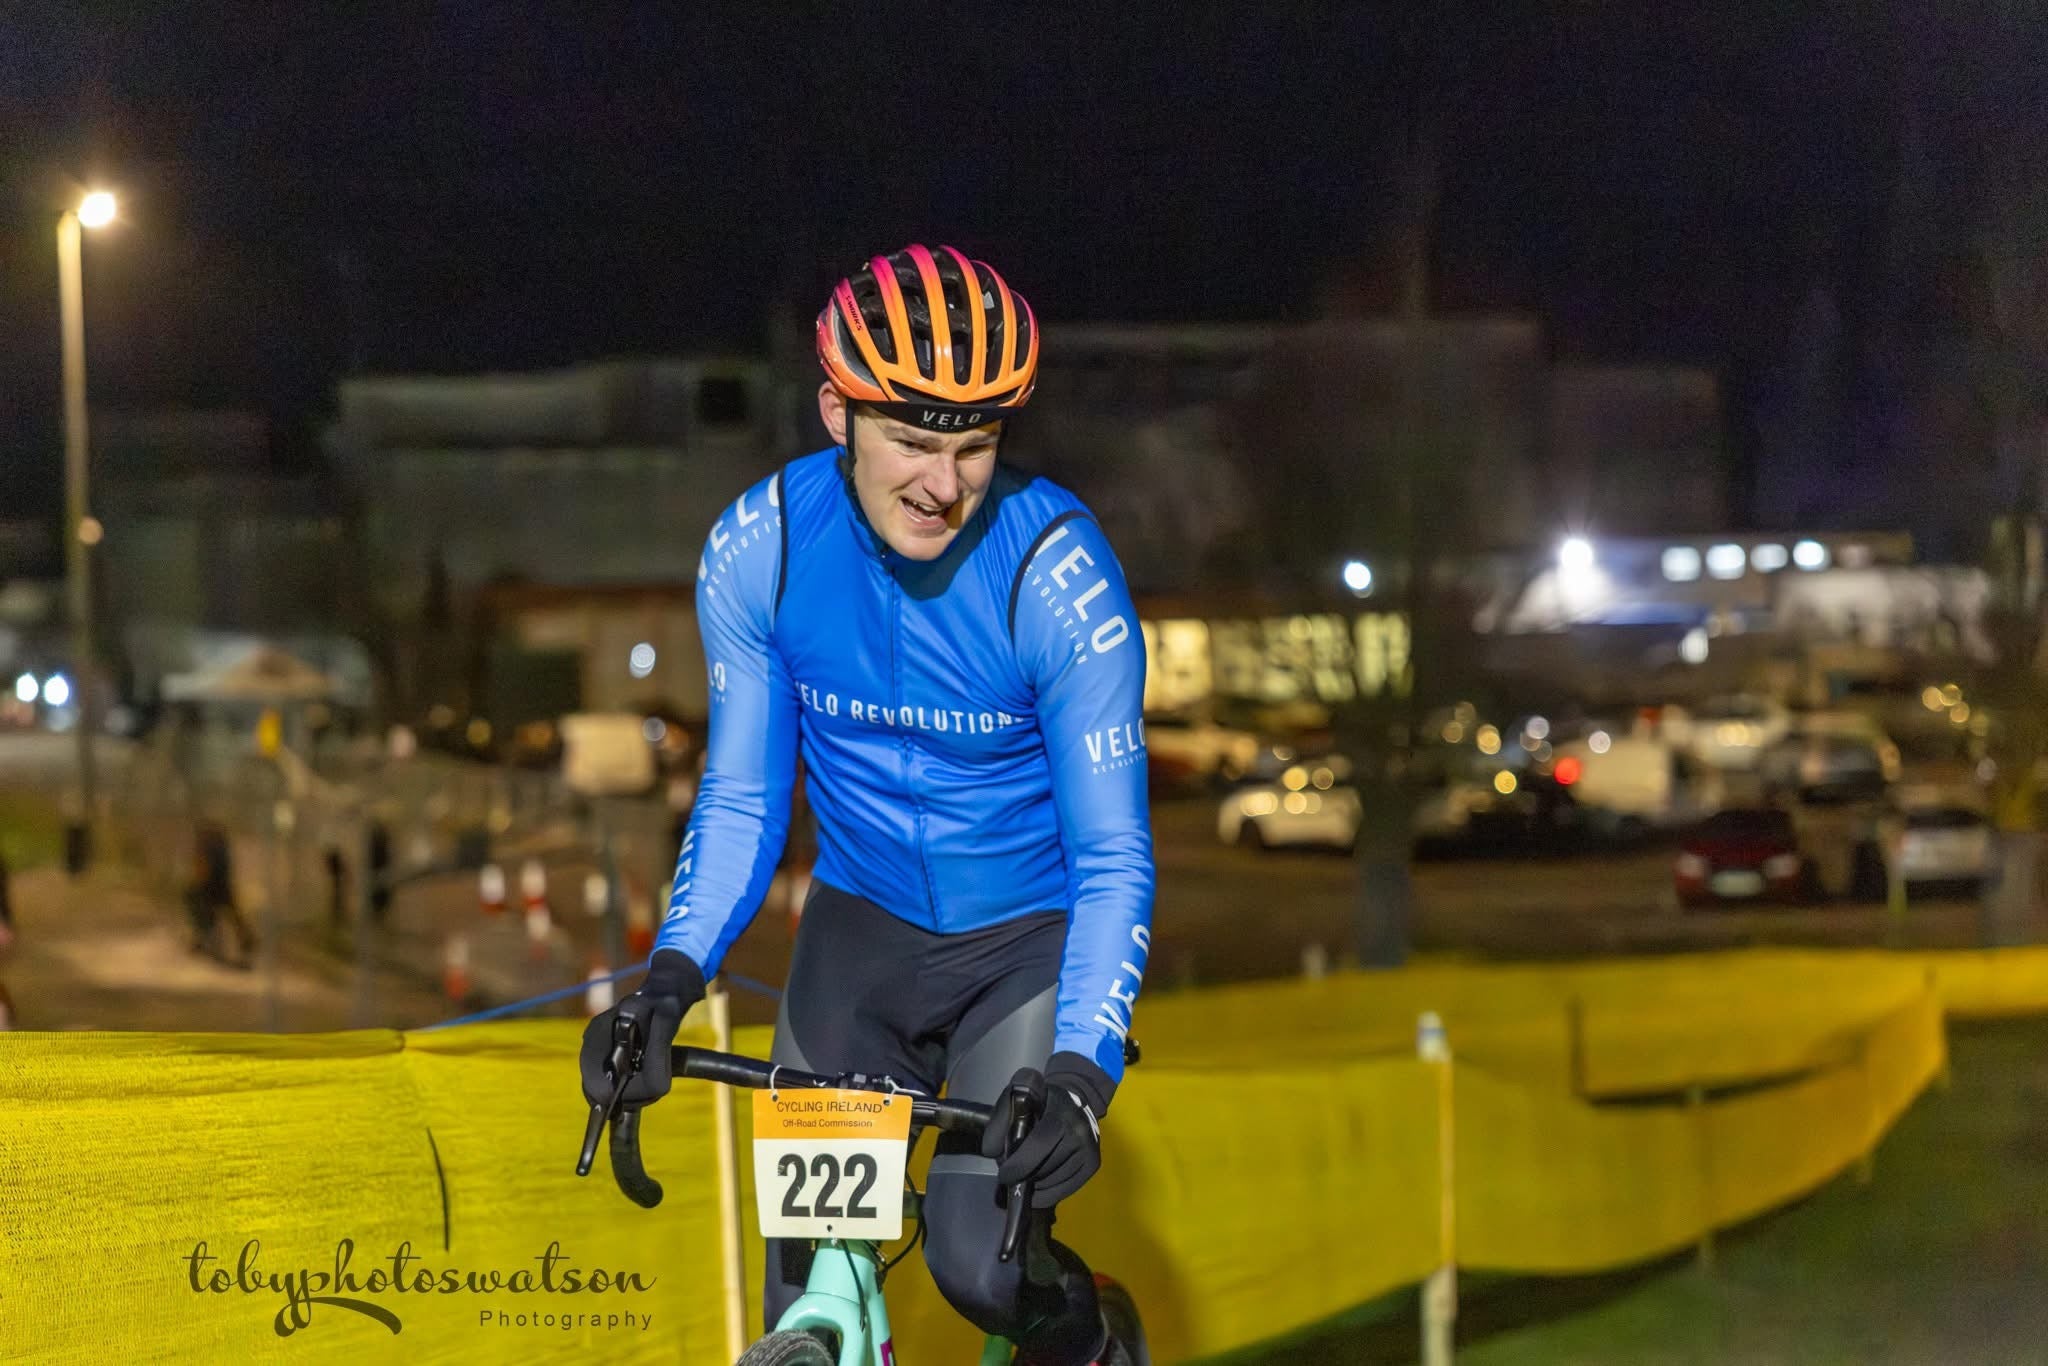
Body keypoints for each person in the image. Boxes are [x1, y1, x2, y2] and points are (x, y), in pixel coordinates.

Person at [582, 245, 1153, 1365]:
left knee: (976, 1267)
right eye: (913, 442)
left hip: (1022, 948)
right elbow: (743, 797)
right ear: (837, 412)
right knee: (804, 1290)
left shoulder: (1056, 576)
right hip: (860, 938)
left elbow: (1112, 856)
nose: (944, 484)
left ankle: (1094, 1340)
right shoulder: (762, 549)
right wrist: (666, 985)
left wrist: (1084, 1075)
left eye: (974, 446)